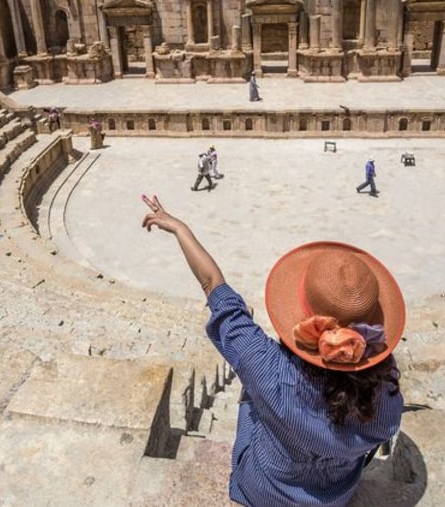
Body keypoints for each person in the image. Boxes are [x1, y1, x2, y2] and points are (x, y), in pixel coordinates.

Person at [141, 195, 404, 506]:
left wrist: (179, 228)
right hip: (335, 497)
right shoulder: (388, 398)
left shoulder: (267, 369)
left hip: (262, 489)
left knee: (252, 390)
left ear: (304, 319)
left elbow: (213, 285)